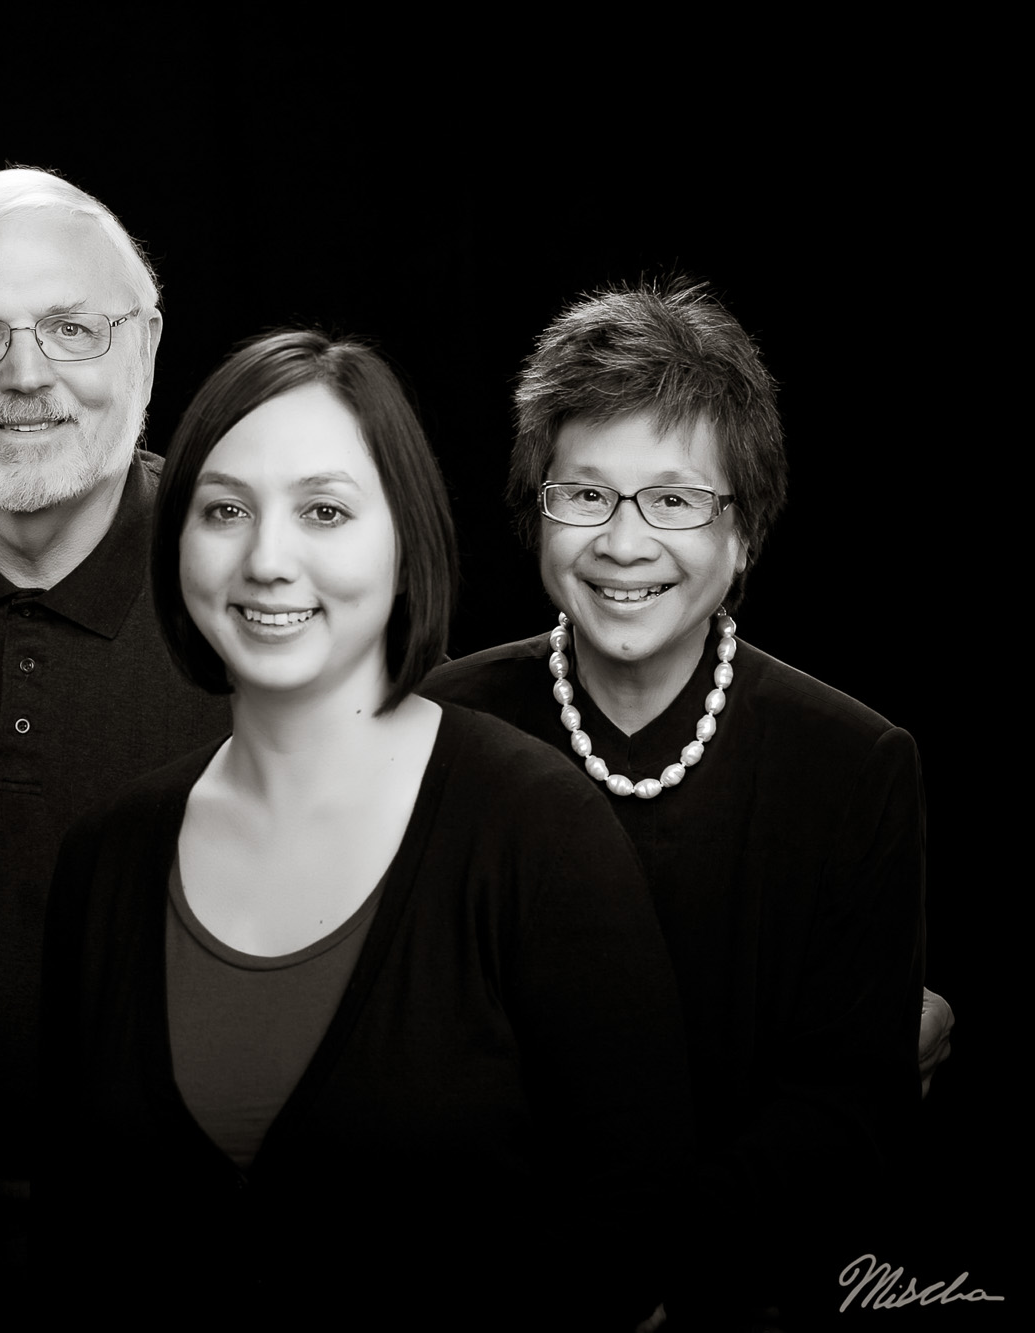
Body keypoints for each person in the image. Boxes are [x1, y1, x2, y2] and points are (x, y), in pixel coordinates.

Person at [37, 328, 694, 1327]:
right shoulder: (106, 859)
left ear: (403, 546)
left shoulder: (533, 828)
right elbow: (77, 1248)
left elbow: (628, 1232)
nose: (265, 558)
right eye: (222, 510)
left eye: (324, 511)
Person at [424, 279, 927, 1324]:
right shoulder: (432, 729)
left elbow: (845, 1109)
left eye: (673, 499)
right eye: (584, 493)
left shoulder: (854, 764)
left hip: (742, 1294)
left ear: (741, 533)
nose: (621, 540)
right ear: (535, 511)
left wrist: (640, 1277)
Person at [0, 166, 229, 1316]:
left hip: (205, 1258)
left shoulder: (256, 598)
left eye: (72, 327)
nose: (27, 375)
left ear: (147, 346)